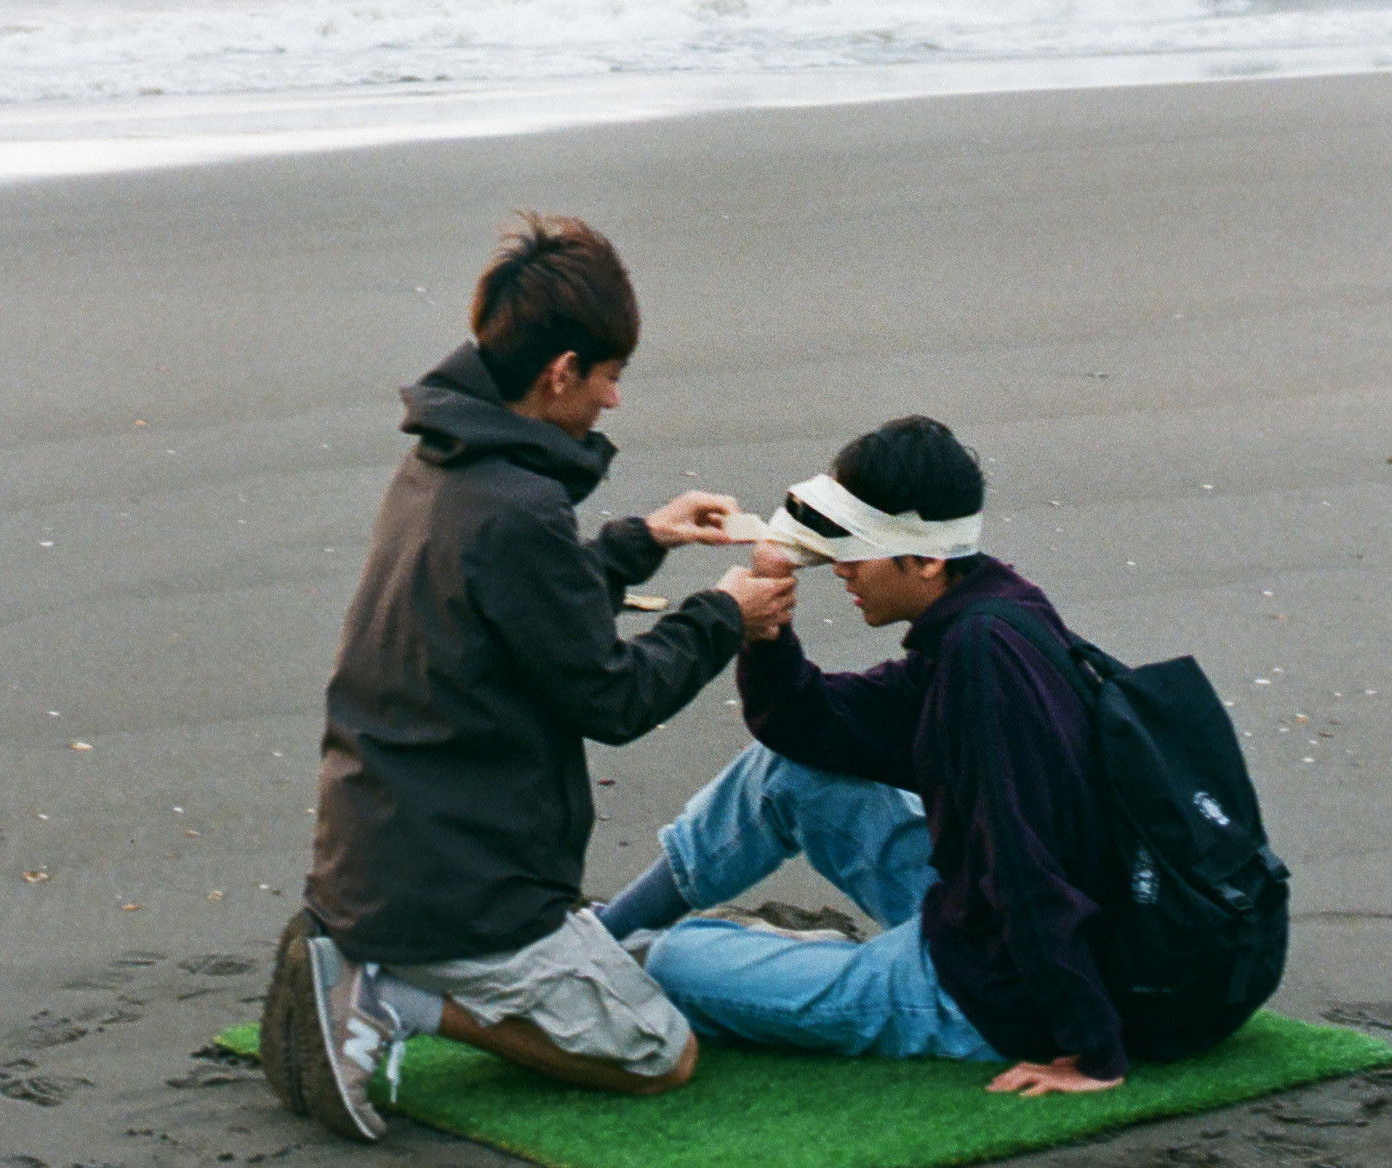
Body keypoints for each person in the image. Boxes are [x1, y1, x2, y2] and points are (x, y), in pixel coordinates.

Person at [259, 213, 797, 1142]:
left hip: (384, 852)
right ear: (560, 372)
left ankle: (370, 957)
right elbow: (611, 697)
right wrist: (724, 614)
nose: (614, 400)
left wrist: (641, 540)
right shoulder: (516, 508)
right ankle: (388, 996)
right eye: (609, 376)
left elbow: (519, 609)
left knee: (619, 990)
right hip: (462, 890)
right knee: (656, 1053)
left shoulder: (442, 463)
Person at [598, 415, 1133, 1096]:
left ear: (927, 559)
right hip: (978, 918)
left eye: (856, 547)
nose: (840, 566)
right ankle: (600, 938)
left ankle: (662, 960)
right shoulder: (989, 611)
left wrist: (1091, 1049)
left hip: (996, 993)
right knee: (784, 773)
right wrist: (766, 621)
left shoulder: (980, 658)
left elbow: (1023, 856)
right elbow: (808, 727)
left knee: (675, 963)